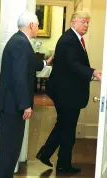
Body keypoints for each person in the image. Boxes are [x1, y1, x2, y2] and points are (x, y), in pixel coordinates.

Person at [36, 11, 102, 173]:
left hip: (69, 92)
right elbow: (73, 63)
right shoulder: (68, 40)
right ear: (73, 23)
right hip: (66, 93)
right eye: (82, 22)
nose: (86, 25)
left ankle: (52, 157)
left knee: (65, 126)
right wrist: (93, 72)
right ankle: (59, 161)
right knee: (67, 128)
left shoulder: (74, 39)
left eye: (87, 23)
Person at [0, 12, 53, 178]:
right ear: (32, 25)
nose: (39, 28)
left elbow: (30, 64)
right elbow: (19, 76)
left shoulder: (20, 41)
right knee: (9, 149)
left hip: (11, 103)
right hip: (12, 105)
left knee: (11, 148)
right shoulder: (20, 43)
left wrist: (45, 62)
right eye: (38, 25)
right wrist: (25, 104)